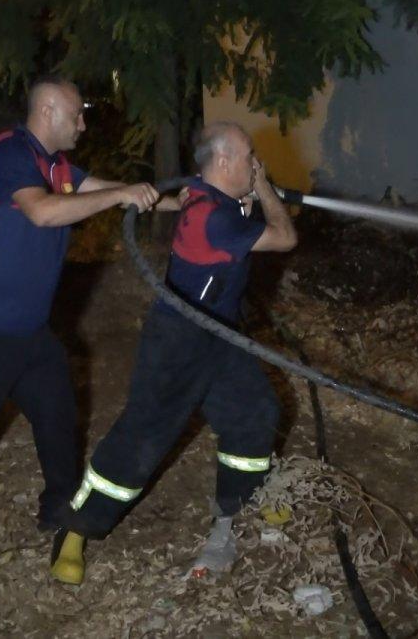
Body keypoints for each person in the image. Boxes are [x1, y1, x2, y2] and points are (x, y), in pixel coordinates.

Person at [0, 74, 175, 582]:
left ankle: (59, 508)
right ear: (50, 110)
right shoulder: (8, 153)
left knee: (59, 420)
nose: (83, 123)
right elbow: (41, 212)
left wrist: (188, 202)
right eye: (77, 114)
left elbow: (114, 192)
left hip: (31, 334)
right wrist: (118, 194)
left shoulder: (56, 166)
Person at [49, 121, 297, 586]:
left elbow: (237, 218)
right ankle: (76, 529)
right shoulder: (213, 217)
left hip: (219, 334)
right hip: (179, 338)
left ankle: (234, 515)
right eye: (249, 158)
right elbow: (284, 237)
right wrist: (263, 188)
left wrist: (250, 192)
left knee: (256, 412)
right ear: (223, 162)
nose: (255, 164)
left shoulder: (212, 198)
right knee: (142, 439)